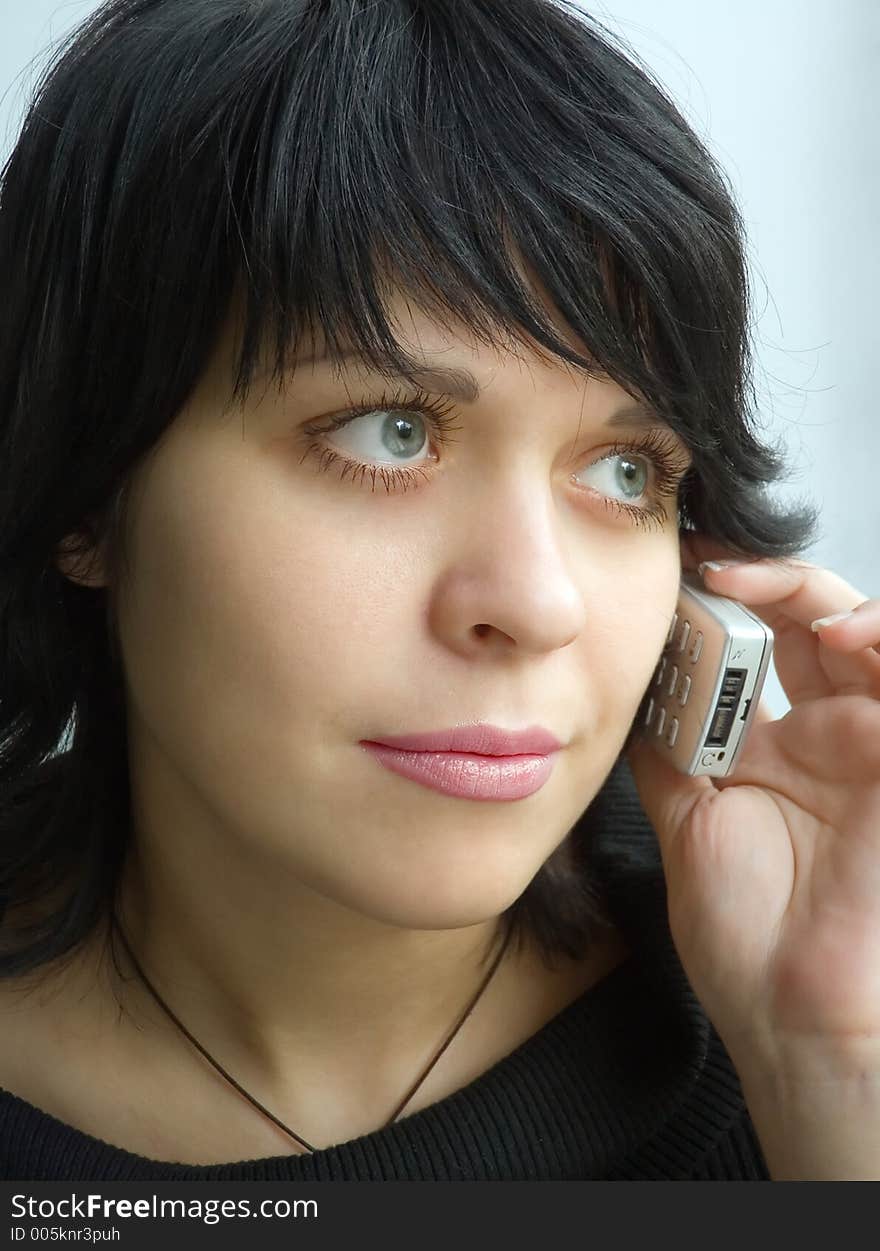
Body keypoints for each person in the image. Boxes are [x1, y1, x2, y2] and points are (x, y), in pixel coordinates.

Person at [0, 0, 878, 1183]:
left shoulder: (794, 1009)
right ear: (86, 495)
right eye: (390, 431)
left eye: (627, 472)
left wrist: (824, 1067)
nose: (538, 602)